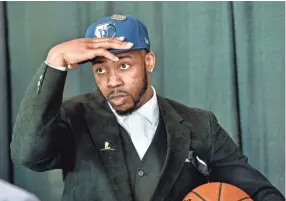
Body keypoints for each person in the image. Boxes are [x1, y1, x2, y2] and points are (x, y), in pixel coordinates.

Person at [10, 14, 284, 201]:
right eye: (101, 69)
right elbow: (29, 155)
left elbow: (260, 192)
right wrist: (55, 61)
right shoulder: (74, 116)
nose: (113, 80)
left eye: (124, 65)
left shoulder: (200, 125)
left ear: (149, 61)